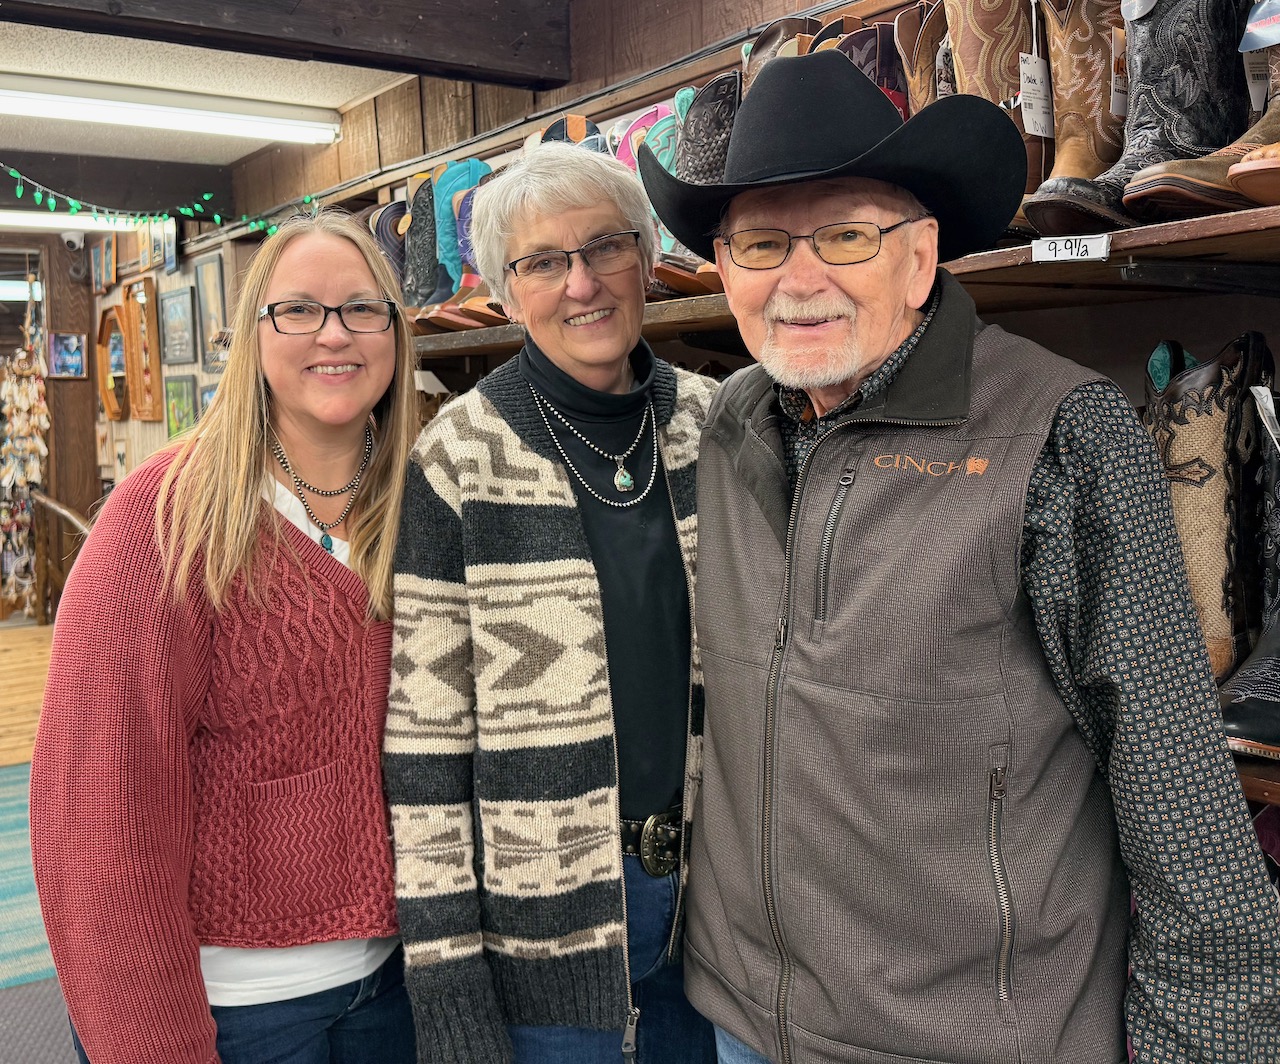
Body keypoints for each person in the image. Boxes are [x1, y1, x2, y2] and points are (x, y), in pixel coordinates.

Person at [638, 50, 1280, 1064]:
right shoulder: (726, 428)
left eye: (844, 235)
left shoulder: (1057, 434)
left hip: (969, 1037)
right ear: (723, 269)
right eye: (760, 243)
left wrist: (1204, 1042)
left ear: (920, 253)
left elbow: (1175, 786)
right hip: (743, 1019)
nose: (798, 280)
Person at [29, 210, 421, 1064]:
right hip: (237, 1013)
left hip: (402, 991)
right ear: (252, 333)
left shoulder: (422, 505)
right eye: (299, 309)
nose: (334, 334)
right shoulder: (162, 521)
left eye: (363, 308)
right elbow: (97, 824)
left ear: (395, 331)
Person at [384, 141, 718, 1064]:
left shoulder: (719, 425)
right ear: (504, 291)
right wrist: (448, 986)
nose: (582, 283)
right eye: (542, 263)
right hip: (541, 940)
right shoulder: (458, 458)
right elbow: (424, 749)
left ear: (647, 258)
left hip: (718, 921)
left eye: (606, 246)